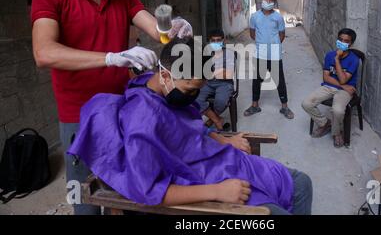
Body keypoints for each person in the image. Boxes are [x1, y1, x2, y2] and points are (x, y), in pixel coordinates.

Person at [31, 0, 192, 215]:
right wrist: (110, 58)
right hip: (79, 117)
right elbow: (44, 53)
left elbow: (158, 33)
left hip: (121, 110)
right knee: (86, 199)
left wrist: (173, 27)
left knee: (126, 194)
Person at [68, 37, 313, 215]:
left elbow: (187, 126)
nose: (194, 97)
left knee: (301, 183)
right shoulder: (142, 121)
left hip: (220, 159)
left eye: (198, 88)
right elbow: (150, 190)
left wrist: (221, 138)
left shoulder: (156, 86)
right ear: (165, 75)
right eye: (191, 89)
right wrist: (217, 192)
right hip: (204, 180)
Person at [301, 29, 360, 148]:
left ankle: (336, 133)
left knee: (338, 110)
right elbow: (326, 78)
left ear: (351, 44)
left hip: (344, 92)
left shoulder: (354, 59)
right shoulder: (329, 55)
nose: (342, 42)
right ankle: (325, 123)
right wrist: (343, 85)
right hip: (333, 87)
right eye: (340, 40)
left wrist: (337, 60)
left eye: (346, 41)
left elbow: (343, 79)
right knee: (306, 103)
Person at [244, 0, 294, 120]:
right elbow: (252, 33)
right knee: (257, 80)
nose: (268, 1)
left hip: (275, 53)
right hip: (260, 53)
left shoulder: (278, 17)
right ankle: (255, 105)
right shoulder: (255, 17)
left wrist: (274, 45)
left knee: (279, 80)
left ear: (275, 2)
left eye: (271, 0)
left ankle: (284, 107)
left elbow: (282, 35)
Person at [196, 29, 235, 130]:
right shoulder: (206, 53)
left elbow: (229, 75)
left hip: (224, 84)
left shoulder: (229, 54)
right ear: (209, 41)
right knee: (195, 98)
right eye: (213, 40)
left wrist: (213, 73)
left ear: (223, 40)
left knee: (221, 102)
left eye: (218, 40)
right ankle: (217, 120)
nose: (216, 43)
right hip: (208, 83)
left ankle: (212, 119)